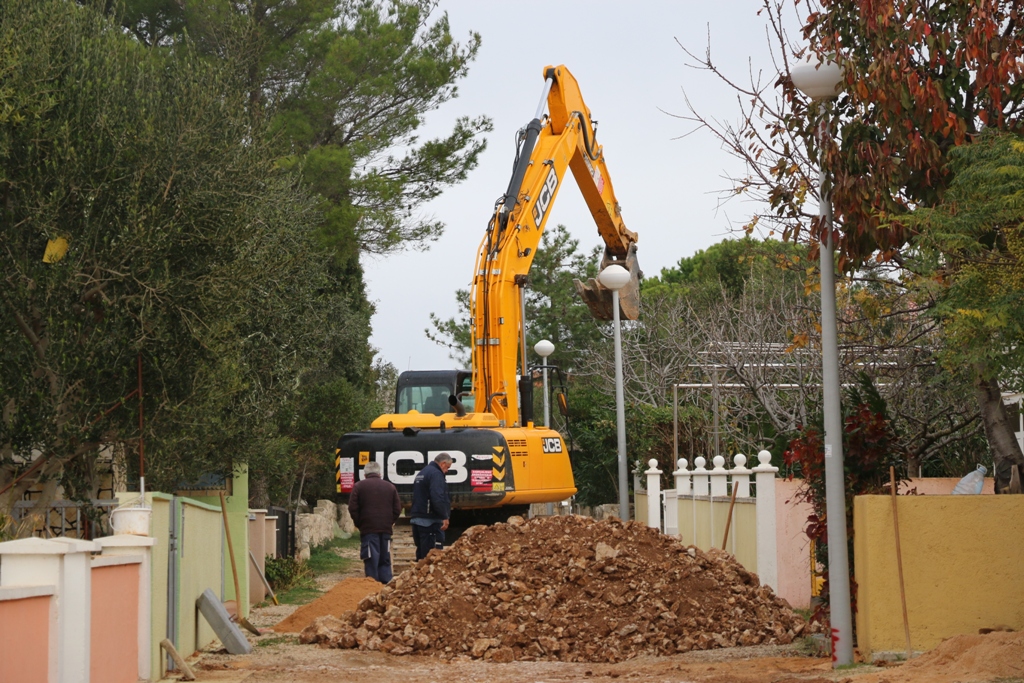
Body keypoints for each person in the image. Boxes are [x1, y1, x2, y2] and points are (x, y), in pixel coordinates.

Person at [347, 460, 401, 583]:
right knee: (385, 558)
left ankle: (372, 586)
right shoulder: (390, 487)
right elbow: (397, 509)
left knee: (371, 558)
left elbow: (352, 508)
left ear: (365, 475)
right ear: (380, 474)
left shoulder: (359, 486)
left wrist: (359, 523)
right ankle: (386, 585)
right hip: (386, 529)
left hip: (368, 529)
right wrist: (389, 521)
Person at [410, 452, 452, 560]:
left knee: (421, 552)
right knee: (432, 555)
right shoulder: (436, 474)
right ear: (442, 464)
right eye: (447, 467)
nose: (447, 471)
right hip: (430, 520)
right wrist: (444, 516)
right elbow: (437, 498)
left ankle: (419, 574)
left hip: (418, 518)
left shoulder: (423, 472)